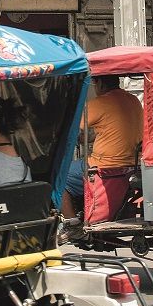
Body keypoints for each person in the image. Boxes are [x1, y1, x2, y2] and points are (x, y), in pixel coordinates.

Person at [61, 75, 143, 220]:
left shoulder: (100, 103)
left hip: (105, 165)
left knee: (61, 177)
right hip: (133, 163)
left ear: (98, 83)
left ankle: (71, 223)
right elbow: (114, 130)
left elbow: (72, 129)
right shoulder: (133, 99)